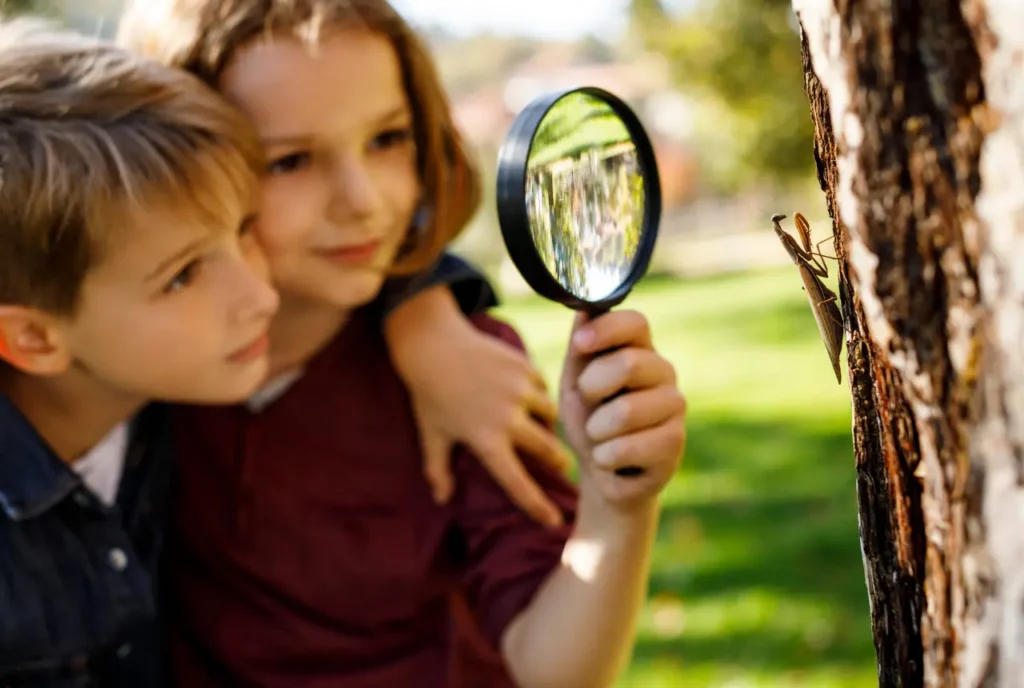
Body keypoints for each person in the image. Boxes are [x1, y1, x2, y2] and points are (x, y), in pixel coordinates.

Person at [119, 1, 688, 686]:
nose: (361, 199)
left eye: (387, 139)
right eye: (291, 160)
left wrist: (617, 507)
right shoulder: (140, 363)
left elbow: (556, 667)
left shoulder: (469, 367)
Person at [0, 18, 281, 685]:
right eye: (182, 275)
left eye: (243, 230)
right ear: (34, 339)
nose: (262, 295)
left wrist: (425, 311)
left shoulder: (172, 388)